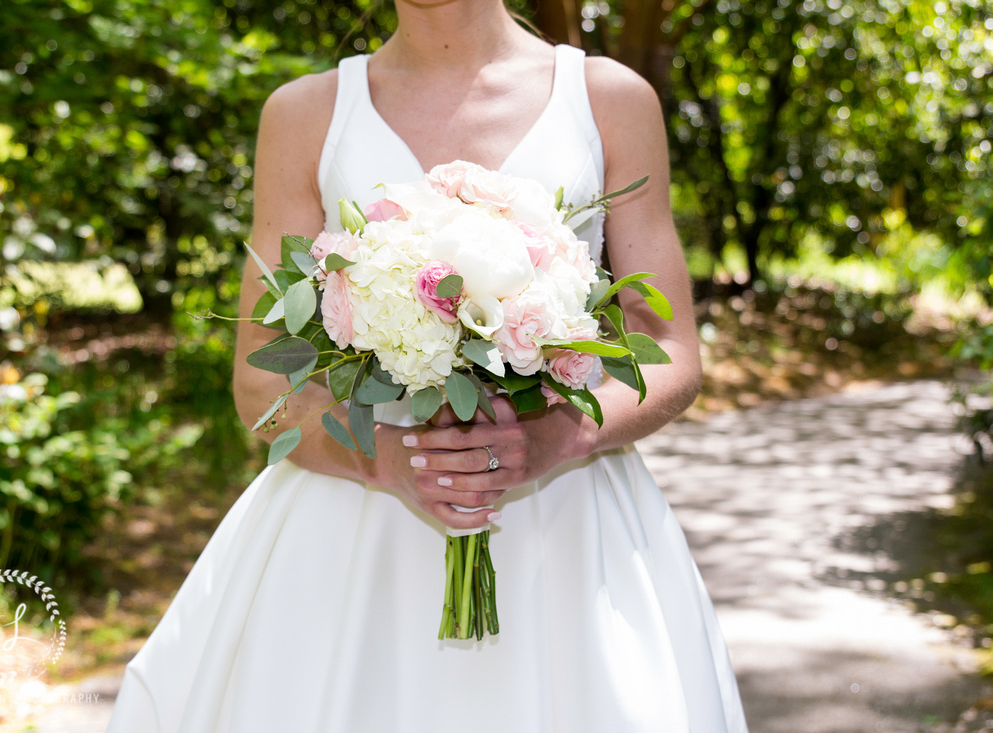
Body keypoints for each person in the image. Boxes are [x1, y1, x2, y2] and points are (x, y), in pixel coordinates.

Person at [106, 1, 749, 730]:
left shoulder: (609, 100)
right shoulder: (305, 113)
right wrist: (390, 464)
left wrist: (558, 440)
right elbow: (261, 380)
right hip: (351, 535)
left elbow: (671, 352)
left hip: (565, 527)